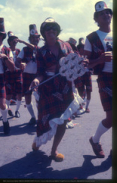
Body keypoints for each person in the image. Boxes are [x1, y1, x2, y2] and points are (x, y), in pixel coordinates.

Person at [30, 17, 81, 161]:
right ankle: (38, 140)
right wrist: (36, 80)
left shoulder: (66, 46)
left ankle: (54, 150)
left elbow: (76, 62)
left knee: (63, 120)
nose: (51, 31)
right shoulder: (41, 51)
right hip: (48, 88)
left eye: (53, 28)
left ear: (57, 31)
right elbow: (40, 72)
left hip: (65, 88)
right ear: (44, 33)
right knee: (44, 119)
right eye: (48, 29)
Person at [84, 1, 113, 158]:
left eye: (108, 12)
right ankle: (95, 140)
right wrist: (100, 60)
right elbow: (85, 64)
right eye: (102, 13)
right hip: (105, 78)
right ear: (96, 18)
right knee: (111, 118)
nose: (106, 15)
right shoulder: (91, 38)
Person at [15, 24, 40, 125]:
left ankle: (40, 117)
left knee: (39, 97)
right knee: (28, 98)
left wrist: (22, 41)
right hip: (26, 76)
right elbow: (17, 61)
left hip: (38, 77)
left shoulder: (41, 50)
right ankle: (33, 117)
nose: (35, 39)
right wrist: (20, 64)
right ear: (30, 39)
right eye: (33, 38)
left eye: (37, 38)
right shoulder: (24, 50)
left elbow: (34, 48)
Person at [5, 31, 23, 118]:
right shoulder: (6, 51)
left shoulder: (19, 51)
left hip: (18, 73)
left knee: (19, 93)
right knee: (8, 93)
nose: (14, 41)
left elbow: (21, 61)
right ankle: (8, 108)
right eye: (12, 40)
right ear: (9, 41)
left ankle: (17, 111)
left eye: (15, 40)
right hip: (9, 73)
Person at [76, 37, 92, 113]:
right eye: (82, 47)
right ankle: (80, 105)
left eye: (84, 47)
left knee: (89, 91)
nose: (84, 49)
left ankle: (87, 107)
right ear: (79, 48)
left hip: (87, 74)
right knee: (80, 91)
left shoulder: (88, 55)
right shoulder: (77, 56)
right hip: (80, 75)